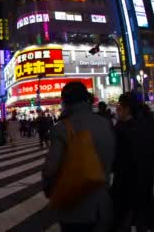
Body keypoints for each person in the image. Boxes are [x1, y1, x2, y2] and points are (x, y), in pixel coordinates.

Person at [42, 82, 116, 232]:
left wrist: (49, 189)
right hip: (102, 204)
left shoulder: (62, 128)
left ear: (65, 102)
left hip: (74, 206)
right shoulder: (104, 123)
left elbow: (50, 169)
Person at [110, 93, 154, 232]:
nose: (117, 111)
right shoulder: (146, 125)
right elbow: (153, 149)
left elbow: (117, 158)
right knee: (140, 218)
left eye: (119, 107)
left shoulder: (121, 129)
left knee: (122, 220)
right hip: (144, 179)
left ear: (127, 109)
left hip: (126, 182)